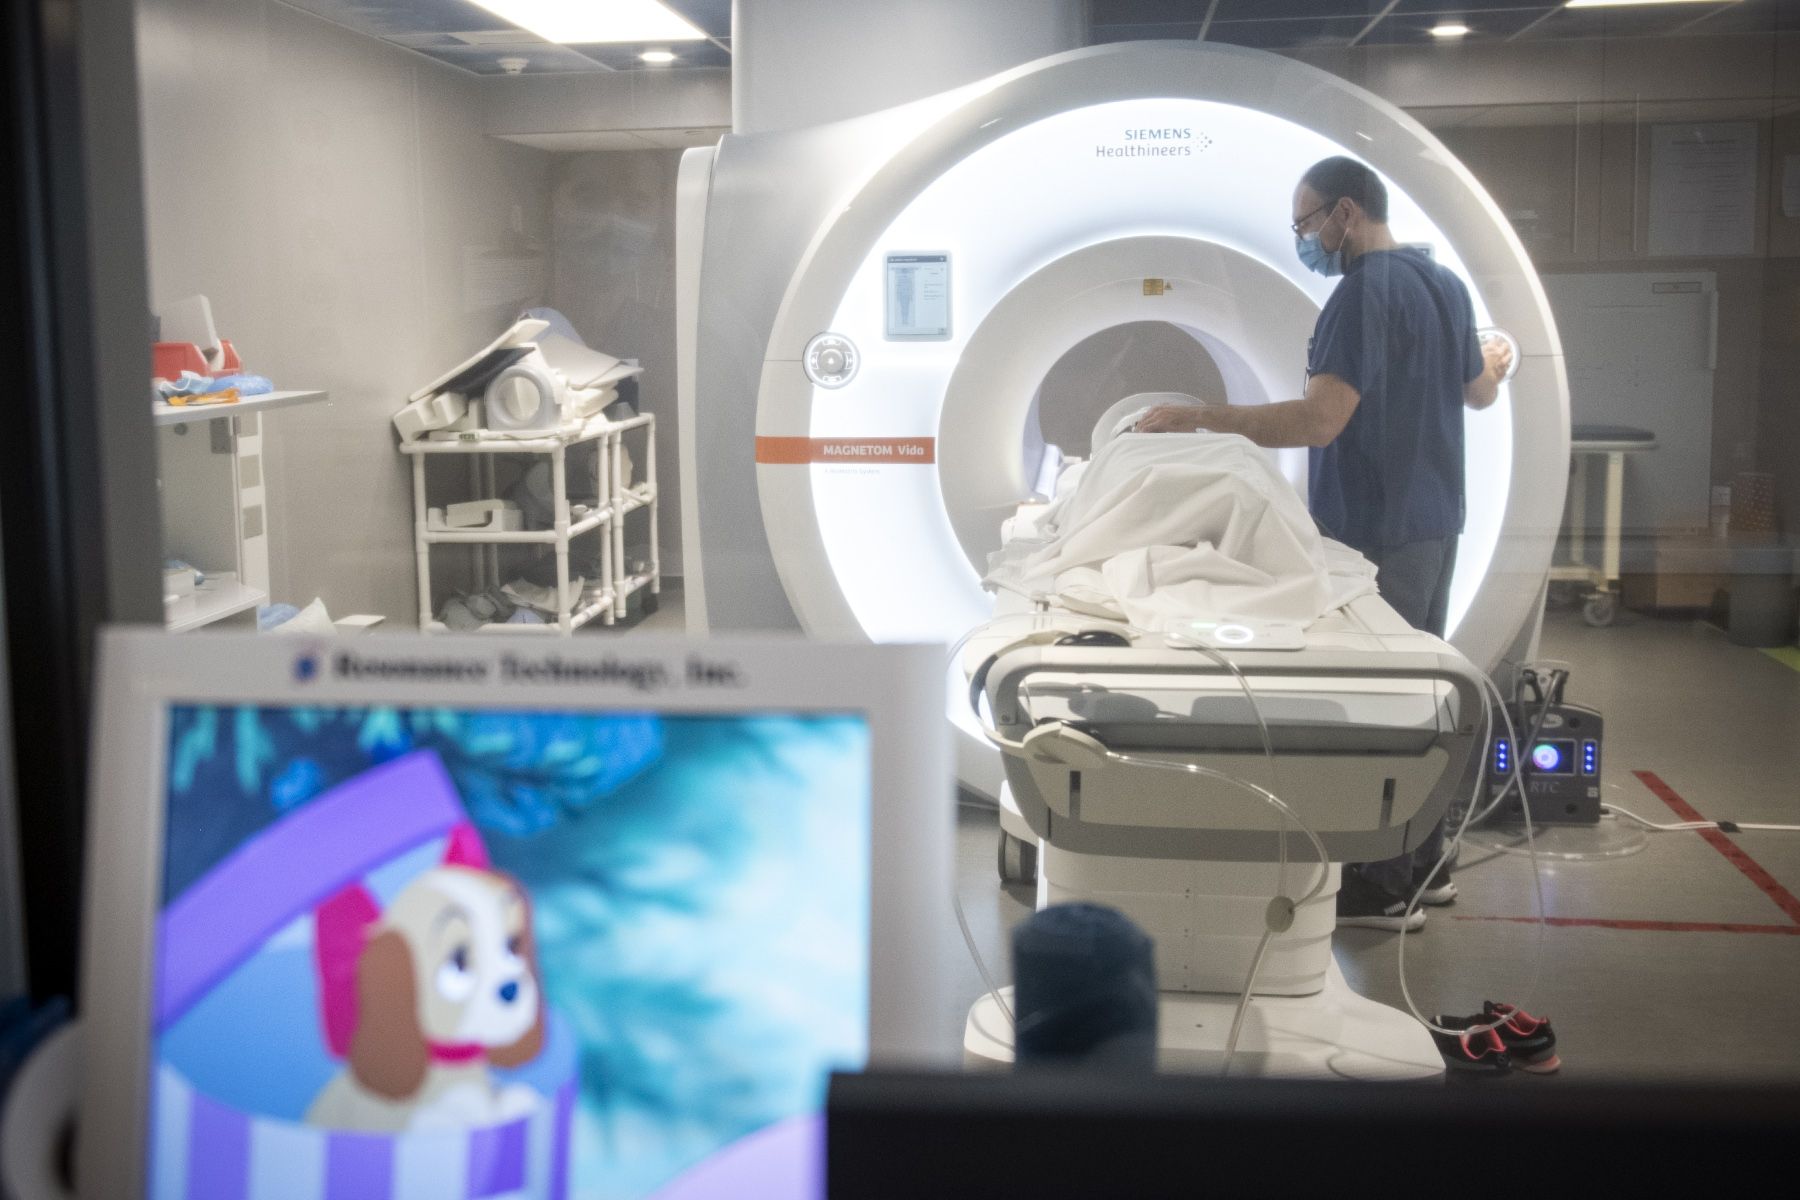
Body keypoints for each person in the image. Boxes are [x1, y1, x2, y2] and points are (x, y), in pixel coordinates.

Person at [1136, 155, 1512, 932]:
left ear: (1345, 213)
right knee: (1424, 700)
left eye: (1306, 223)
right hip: (1435, 524)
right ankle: (1426, 867)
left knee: (1380, 711)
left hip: (1375, 534)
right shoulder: (1443, 284)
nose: (1304, 239)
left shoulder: (1359, 297)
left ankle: (1384, 888)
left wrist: (1200, 415)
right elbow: (1479, 392)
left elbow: (1318, 421)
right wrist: (1497, 361)